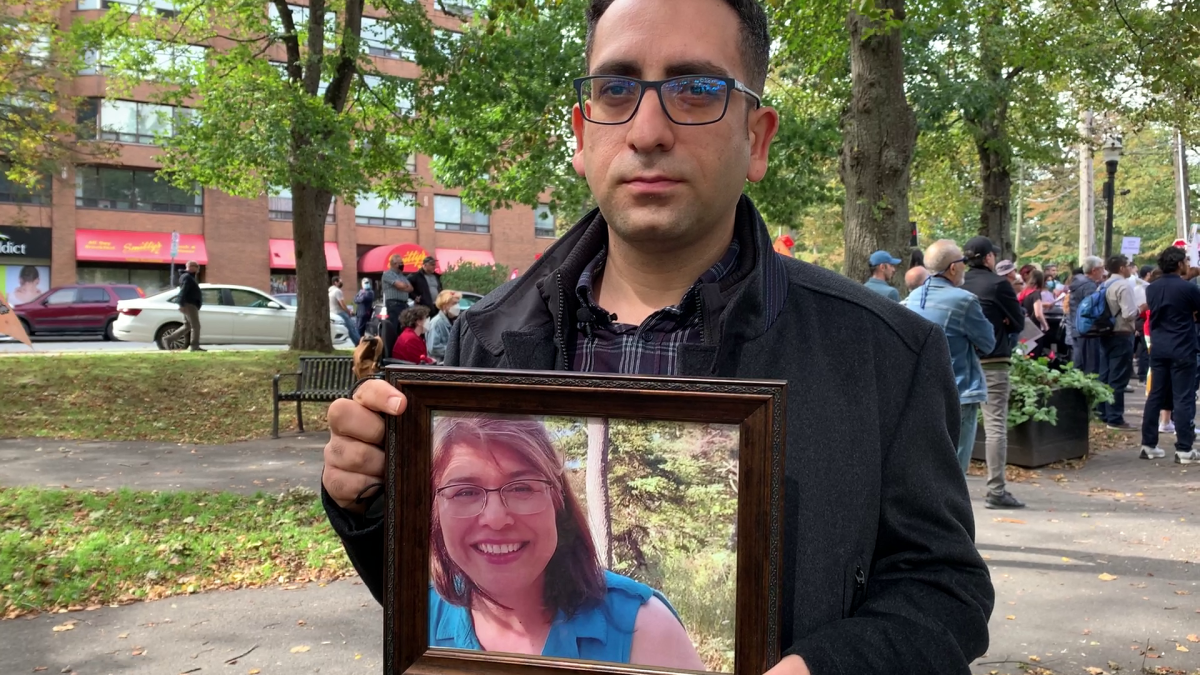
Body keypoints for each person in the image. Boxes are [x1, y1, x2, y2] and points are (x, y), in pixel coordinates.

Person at [321, 2, 993, 673]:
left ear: (757, 139)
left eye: (695, 89)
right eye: (616, 89)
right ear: (582, 136)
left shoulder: (883, 356)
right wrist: (372, 503)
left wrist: (831, 666)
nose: (647, 130)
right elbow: (450, 606)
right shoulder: (485, 340)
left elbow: (944, 594)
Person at [428, 414, 704, 667]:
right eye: (464, 492)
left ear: (557, 502)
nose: (496, 518)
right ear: (435, 512)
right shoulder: (416, 616)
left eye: (522, 487)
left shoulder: (645, 629)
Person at [901, 240, 995, 472]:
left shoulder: (908, 301)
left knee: (926, 467)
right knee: (954, 469)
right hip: (959, 393)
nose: (965, 266)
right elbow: (988, 343)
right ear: (953, 267)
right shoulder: (964, 301)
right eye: (962, 262)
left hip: (919, 395)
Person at [961, 235, 1025, 509]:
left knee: (958, 425)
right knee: (995, 425)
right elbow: (1019, 322)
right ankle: (996, 489)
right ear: (988, 258)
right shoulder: (999, 285)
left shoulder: (958, 283)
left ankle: (953, 488)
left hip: (962, 361)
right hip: (994, 360)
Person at [1141, 247, 1200, 464]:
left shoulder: (1152, 288)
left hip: (1158, 347)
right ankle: (1184, 448)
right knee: (1183, 397)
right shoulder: (1188, 288)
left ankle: (1148, 444)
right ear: (1179, 264)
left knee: (1155, 395)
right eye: (1185, 260)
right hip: (1183, 348)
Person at [1097, 255, 1138, 430]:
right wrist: (1140, 309)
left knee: (1105, 374)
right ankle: (1115, 417)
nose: (1130, 268)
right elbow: (1129, 313)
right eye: (1128, 265)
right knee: (1118, 376)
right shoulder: (1124, 285)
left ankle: (1103, 412)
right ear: (1122, 268)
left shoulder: (1104, 284)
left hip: (1105, 332)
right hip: (1121, 333)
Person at [1067, 256, 1106, 374]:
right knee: (1090, 367)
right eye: (1102, 268)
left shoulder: (1078, 282)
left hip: (1077, 327)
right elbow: (1093, 308)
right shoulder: (1089, 286)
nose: (1103, 272)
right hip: (1088, 330)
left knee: (1079, 363)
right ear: (1094, 270)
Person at [166, 261, 204, 351]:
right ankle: (194, 346)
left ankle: (169, 339)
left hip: (189, 304)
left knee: (187, 325)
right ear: (190, 267)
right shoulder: (187, 277)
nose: (198, 269)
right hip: (189, 304)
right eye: (197, 267)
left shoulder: (190, 277)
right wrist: (181, 304)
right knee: (196, 326)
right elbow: (183, 291)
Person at [382, 254, 414, 335]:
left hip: (404, 305)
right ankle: (393, 346)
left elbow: (411, 288)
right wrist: (402, 286)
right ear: (394, 264)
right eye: (400, 263)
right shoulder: (387, 274)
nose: (402, 265)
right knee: (395, 327)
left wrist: (402, 287)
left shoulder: (402, 276)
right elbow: (400, 285)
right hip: (393, 305)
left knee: (404, 327)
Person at [426, 290, 461, 363]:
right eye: (454, 303)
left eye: (458, 303)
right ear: (445, 306)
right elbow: (433, 348)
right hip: (439, 365)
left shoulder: (453, 321)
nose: (457, 306)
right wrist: (454, 350)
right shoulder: (436, 322)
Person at [1133, 265, 1153, 385]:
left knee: (1143, 349)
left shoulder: (1139, 287)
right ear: (1148, 274)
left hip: (1141, 320)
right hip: (1143, 320)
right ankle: (1143, 375)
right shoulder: (1143, 288)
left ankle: (1142, 374)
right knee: (1145, 350)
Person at [329, 276, 361, 346]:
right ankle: (359, 343)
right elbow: (342, 304)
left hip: (333, 313)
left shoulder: (330, 291)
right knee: (351, 327)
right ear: (336, 282)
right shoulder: (337, 291)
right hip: (340, 313)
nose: (341, 283)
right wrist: (348, 311)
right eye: (340, 281)